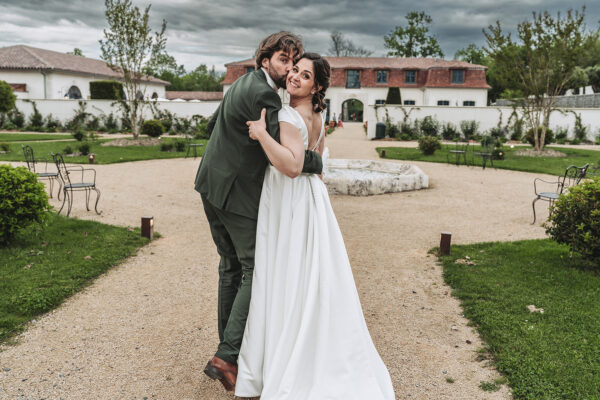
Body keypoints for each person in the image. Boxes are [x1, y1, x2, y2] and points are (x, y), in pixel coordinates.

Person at [235, 53, 395, 399]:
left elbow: (292, 166)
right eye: (294, 70)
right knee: (309, 274)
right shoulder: (320, 116)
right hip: (312, 199)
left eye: (304, 75)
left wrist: (262, 134)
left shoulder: (289, 115)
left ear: (316, 85)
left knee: (284, 273)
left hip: (289, 197)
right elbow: (317, 164)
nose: (294, 77)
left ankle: (283, 359)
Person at [194, 32, 323, 392]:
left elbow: (211, 125)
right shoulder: (265, 94)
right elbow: (284, 154)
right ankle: (226, 355)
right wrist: (319, 161)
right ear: (265, 60)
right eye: (284, 60)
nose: (289, 67)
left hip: (209, 185)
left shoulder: (240, 83)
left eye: (293, 61)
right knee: (254, 267)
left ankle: (229, 352)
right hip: (236, 195)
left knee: (230, 267)